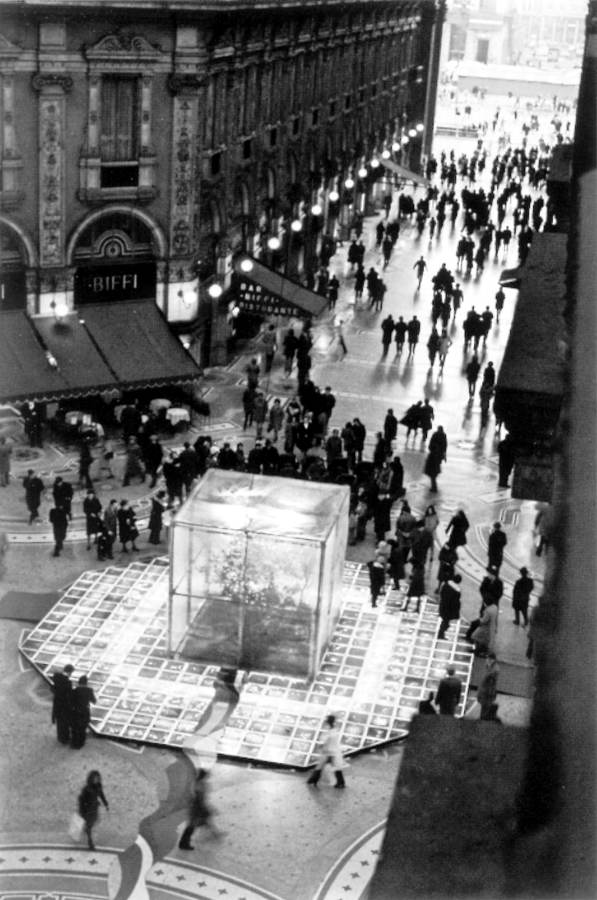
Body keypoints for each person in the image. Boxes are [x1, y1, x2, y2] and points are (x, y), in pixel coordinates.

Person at [178, 768, 223, 850]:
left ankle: (215, 834)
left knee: (200, 823)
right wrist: (205, 808)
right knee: (192, 826)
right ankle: (183, 844)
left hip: (195, 808)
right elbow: (199, 800)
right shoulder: (199, 786)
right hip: (196, 809)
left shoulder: (197, 783)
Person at [306, 714, 346, 788]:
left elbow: (324, 740)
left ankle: (313, 780)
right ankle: (340, 782)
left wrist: (321, 745)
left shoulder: (329, 731)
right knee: (336, 767)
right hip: (333, 751)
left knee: (320, 766)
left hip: (328, 752)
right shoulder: (334, 730)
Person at [78, 771, 109, 850]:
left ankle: (87, 828)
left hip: (94, 808)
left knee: (93, 821)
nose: (96, 780)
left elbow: (101, 794)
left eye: (97, 778)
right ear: (91, 779)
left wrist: (105, 803)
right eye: (94, 778)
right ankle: (90, 842)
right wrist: (82, 812)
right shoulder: (86, 789)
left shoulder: (99, 786)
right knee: (89, 825)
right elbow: (81, 800)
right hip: (87, 810)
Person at [71, 674, 96, 749]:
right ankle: (80, 743)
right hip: (85, 711)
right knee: (83, 728)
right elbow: (94, 701)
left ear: (79, 682)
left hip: (76, 711)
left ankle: (74, 743)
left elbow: (71, 701)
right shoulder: (89, 690)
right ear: (86, 683)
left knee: (75, 728)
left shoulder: (75, 690)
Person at [52, 663, 74, 745]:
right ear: (70, 672)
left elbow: (53, 687)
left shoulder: (57, 678)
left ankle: (60, 737)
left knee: (59, 721)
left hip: (57, 703)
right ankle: (65, 738)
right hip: (65, 705)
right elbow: (69, 694)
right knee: (65, 722)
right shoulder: (68, 682)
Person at [438, 573, 462, 640]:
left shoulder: (446, 584)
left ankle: (441, 633)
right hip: (449, 609)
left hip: (443, 605)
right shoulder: (457, 591)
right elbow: (456, 602)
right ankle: (441, 634)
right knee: (446, 621)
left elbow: (441, 593)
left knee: (444, 620)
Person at [424, 426, 447, 493]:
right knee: (434, 472)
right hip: (438, 457)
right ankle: (434, 486)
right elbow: (445, 446)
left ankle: (434, 487)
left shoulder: (435, 434)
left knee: (432, 473)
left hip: (433, 456)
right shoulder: (443, 435)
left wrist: (433, 449)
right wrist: (444, 455)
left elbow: (430, 445)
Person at [477, 653, 499, 720]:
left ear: (492, 660)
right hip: (485, 693)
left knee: (485, 709)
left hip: (487, 694)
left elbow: (487, 680)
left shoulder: (494, 669)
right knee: (484, 709)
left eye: (488, 659)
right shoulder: (489, 667)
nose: (486, 660)